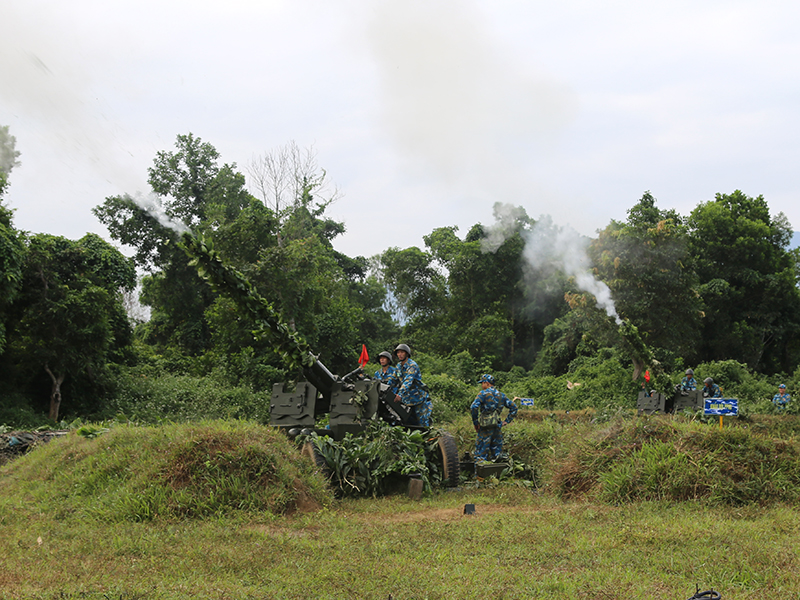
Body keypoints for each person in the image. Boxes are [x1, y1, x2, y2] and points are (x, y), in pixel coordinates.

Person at [470, 374, 518, 463]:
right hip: (497, 426)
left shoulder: (483, 393)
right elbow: (514, 408)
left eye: (482, 383)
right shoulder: (501, 395)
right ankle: (497, 475)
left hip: (485, 427)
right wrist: (506, 421)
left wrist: (476, 422)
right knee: (497, 455)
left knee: (480, 455)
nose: (481, 385)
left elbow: (473, 407)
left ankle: (480, 476)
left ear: (486, 383)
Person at [393, 343, 433, 427]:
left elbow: (408, 381)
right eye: (398, 352)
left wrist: (399, 394)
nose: (400, 355)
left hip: (418, 399)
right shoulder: (398, 366)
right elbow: (393, 379)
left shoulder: (412, 365)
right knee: (408, 423)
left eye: (402, 352)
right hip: (407, 400)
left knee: (422, 424)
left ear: (406, 353)